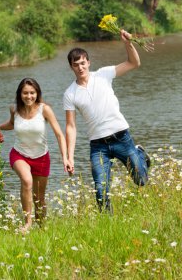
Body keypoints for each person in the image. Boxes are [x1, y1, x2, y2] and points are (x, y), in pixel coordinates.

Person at [63, 29, 151, 212]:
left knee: (141, 181)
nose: (80, 67)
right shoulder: (69, 93)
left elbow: (134, 63)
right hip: (98, 146)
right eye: (76, 65)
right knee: (101, 191)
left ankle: (140, 154)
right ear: (71, 67)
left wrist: (128, 43)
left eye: (83, 63)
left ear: (89, 62)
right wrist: (69, 156)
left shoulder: (103, 74)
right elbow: (71, 126)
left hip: (121, 138)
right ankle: (107, 223)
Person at [0, 77, 68, 232]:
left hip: (41, 157)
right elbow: (12, 124)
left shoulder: (44, 109)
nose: (29, 96)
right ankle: (27, 223)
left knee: (39, 199)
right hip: (19, 154)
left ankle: (41, 228)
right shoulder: (14, 109)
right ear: (20, 94)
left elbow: (59, 135)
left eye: (32, 93)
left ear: (37, 93)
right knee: (27, 181)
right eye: (25, 93)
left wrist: (65, 158)